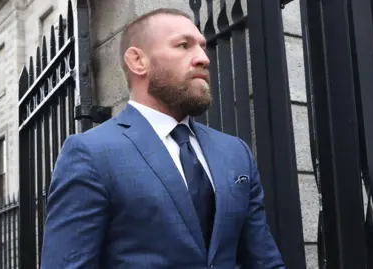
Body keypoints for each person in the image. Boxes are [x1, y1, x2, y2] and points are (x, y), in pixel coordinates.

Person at [40, 7, 285, 269]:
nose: (203, 58)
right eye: (183, 45)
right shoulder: (91, 153)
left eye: (202, 47)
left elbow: (265, 261)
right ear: (138, 61)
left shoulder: (235, 152)